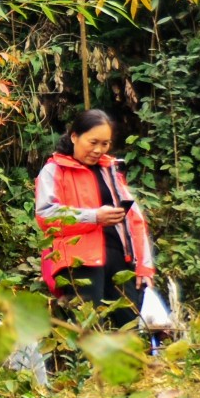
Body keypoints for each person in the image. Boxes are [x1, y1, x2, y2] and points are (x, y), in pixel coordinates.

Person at [36, 109, 156, 315]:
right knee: (87, 333)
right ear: (74, 137)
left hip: (121, 262)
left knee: (129, 330)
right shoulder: (55, 169)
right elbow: (46, 215)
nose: (99, 149)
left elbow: (135, 220)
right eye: (93, 142)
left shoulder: (110, 171)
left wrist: (144, 267)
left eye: (105, 143)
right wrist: (94, 217)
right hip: (78, 264)